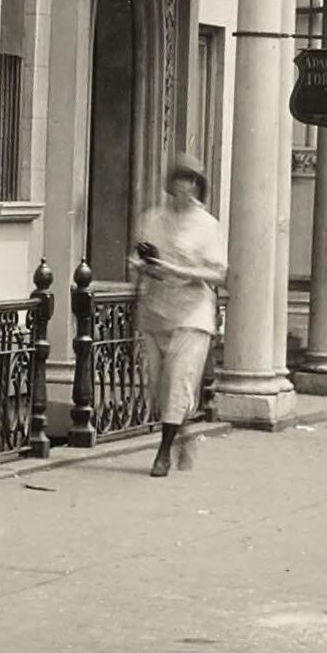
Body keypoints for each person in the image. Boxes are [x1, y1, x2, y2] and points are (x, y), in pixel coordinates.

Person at [129, 155, 228, 475]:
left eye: (191, 181)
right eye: (179, 179)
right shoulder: (152, 219)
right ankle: (183, 432)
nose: (184, 187)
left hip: (193, 312)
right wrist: (143, 264)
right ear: (170, 183)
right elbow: (139, 253)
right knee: (159, 386)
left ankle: (162, 453)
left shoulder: (207, 225)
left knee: (178, 380)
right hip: (157, 309)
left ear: (199, 187)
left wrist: (176, 269)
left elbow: (217, 274)